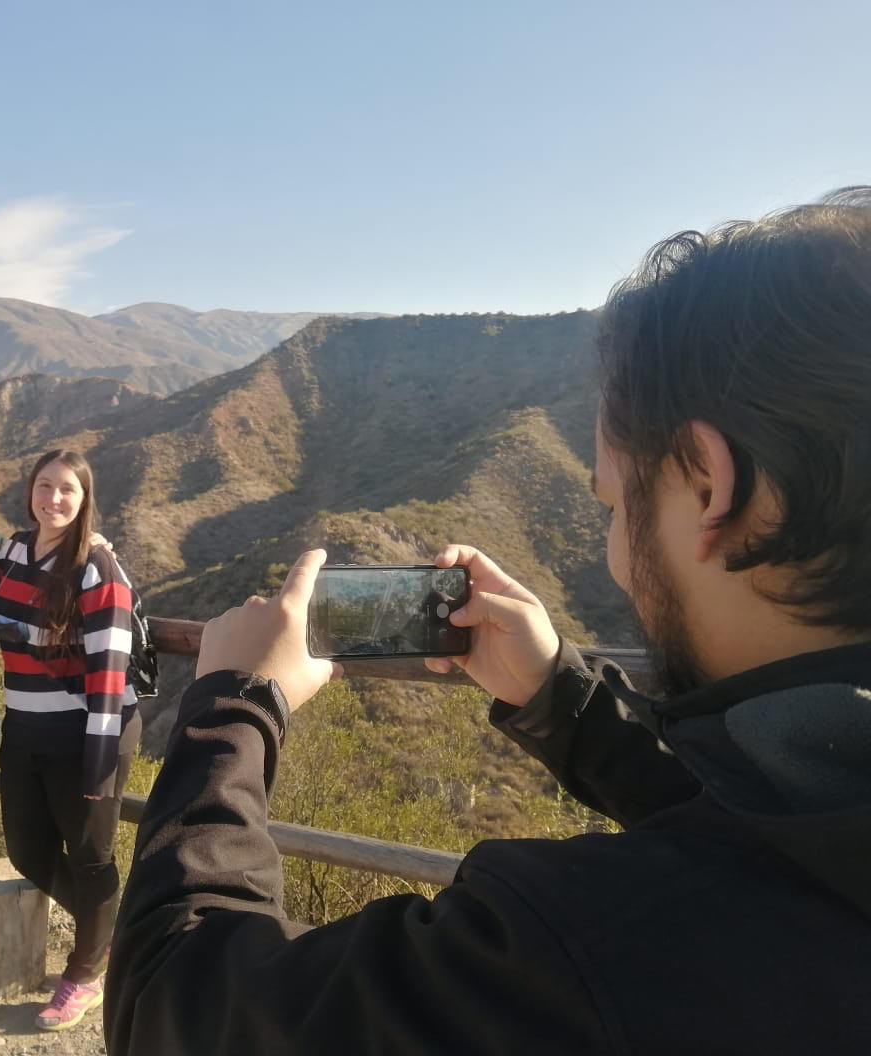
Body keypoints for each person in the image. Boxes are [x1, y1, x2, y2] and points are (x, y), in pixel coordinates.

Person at [104, 188, 871, 1054]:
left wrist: (233, 704)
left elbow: (176, 1003)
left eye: (615, 505)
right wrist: (563, 700)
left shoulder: (579, 956)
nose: (616, 555)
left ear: (709, 483)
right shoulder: (822, 826)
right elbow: (776, 830)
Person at [0, 448, 140, 1031]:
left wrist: (99, 763)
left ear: (84, 500)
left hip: (87, 730)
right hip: (24, 725)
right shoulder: (11, 552)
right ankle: (116, 936)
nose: (54, 498)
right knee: (26, 850)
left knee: (89, 857)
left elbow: (110, 671)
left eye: (67, 490)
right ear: (30, 489)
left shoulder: (97, 568)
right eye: (44, 486)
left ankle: (84, 974)